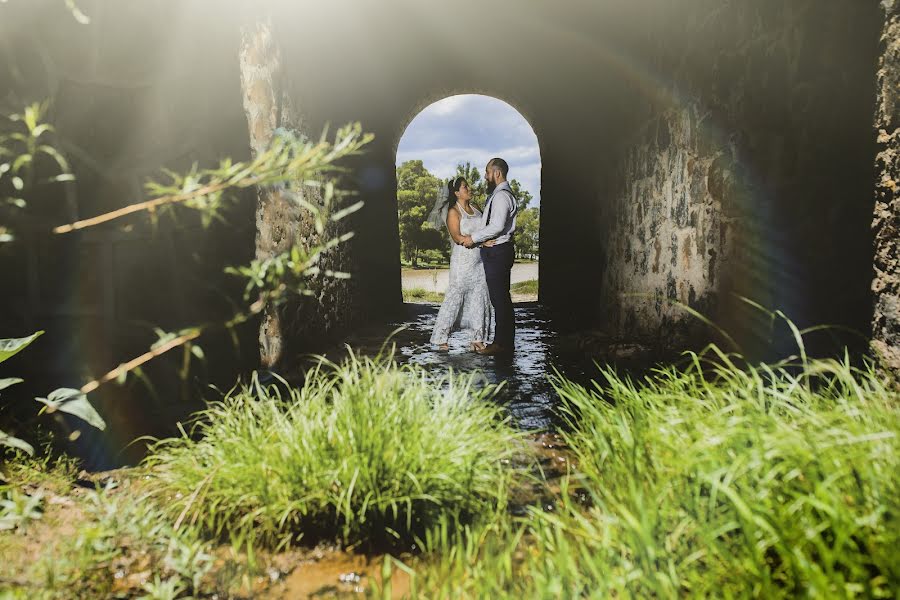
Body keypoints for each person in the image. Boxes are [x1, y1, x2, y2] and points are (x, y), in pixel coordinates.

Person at [427, 177, 496, 351]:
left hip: (479, 262)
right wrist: (481, 242)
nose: (469, 189)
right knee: (454, 298)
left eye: (468, 186)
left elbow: (486, 230)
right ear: (457, 193)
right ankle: (440, 338)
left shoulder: (477, 209)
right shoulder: (453, 212)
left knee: (479, 297)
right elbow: (457, 237)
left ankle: (477, 338)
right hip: (462, 262)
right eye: (465, 187)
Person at [461, 158, 517, 355]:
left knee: (500, 299)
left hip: (498, 252)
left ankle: (501, 345)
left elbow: (497, 226)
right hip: (497, 250)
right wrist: (482, 241)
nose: (485, 176)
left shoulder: (501, 196)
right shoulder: (498, 195)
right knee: (500, 298)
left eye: (487, 172)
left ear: (497, 173)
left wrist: (473, 238)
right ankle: (504, 343)